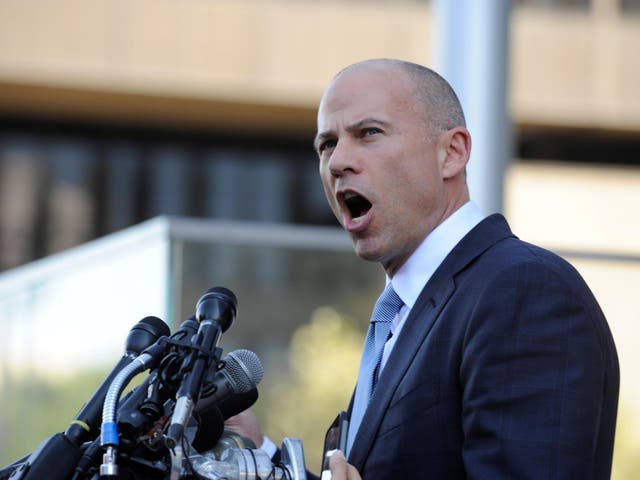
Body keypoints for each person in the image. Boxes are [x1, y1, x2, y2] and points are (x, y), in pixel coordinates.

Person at [227, 58, 620, 479]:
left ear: (451, 153)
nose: (338, 161)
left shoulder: (525, 291)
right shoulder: (401, 314)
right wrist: (257, 456)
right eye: (326, 145)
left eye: (369, 133)